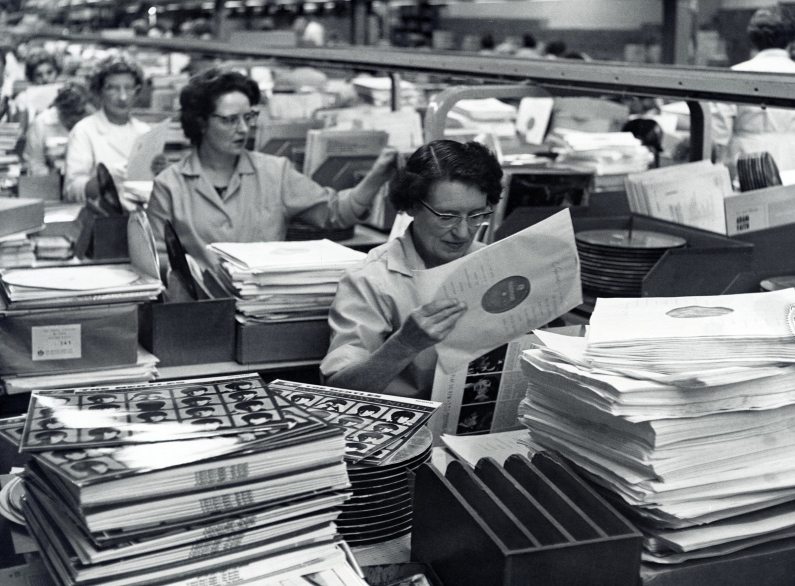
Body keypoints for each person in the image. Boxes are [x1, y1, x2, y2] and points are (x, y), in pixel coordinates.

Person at [147, 67, 397, 271]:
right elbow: (157, 260)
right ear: (200, 122)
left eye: (248, 117)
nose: (243, 129)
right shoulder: (170, 185)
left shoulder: (275, 173)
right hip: (202, 311)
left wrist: (376, 177)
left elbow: (335, 212)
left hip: (264, 307)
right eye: (230, 120)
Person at [320, 140, 503, 398]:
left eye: (476, 216)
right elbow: (339, 391)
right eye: (446, 216)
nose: (463, 233)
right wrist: (404, 344)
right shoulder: (371, 280)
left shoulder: (495, 262)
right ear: (412, 206)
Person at [712, 6, 795, 172]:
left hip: (745, 165)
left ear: (753, 39)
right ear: (791, 40)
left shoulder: (734, 75)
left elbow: (718, 138)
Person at [64, 54, 150, 203]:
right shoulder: (84, 131)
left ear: (137, 91)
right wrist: (105, 181)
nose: (122, 97)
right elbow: (72, 190)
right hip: (102, 220)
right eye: (113, 88)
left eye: (128, 88)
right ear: (99, 91)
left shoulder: (144, 131)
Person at [23, 81, 92, 176]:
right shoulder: (41, 122)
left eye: (80, 113)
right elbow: (34, 162)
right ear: (59, 110)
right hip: (51, 179)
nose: (75, 118)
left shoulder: (92, 118)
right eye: (70, 114)